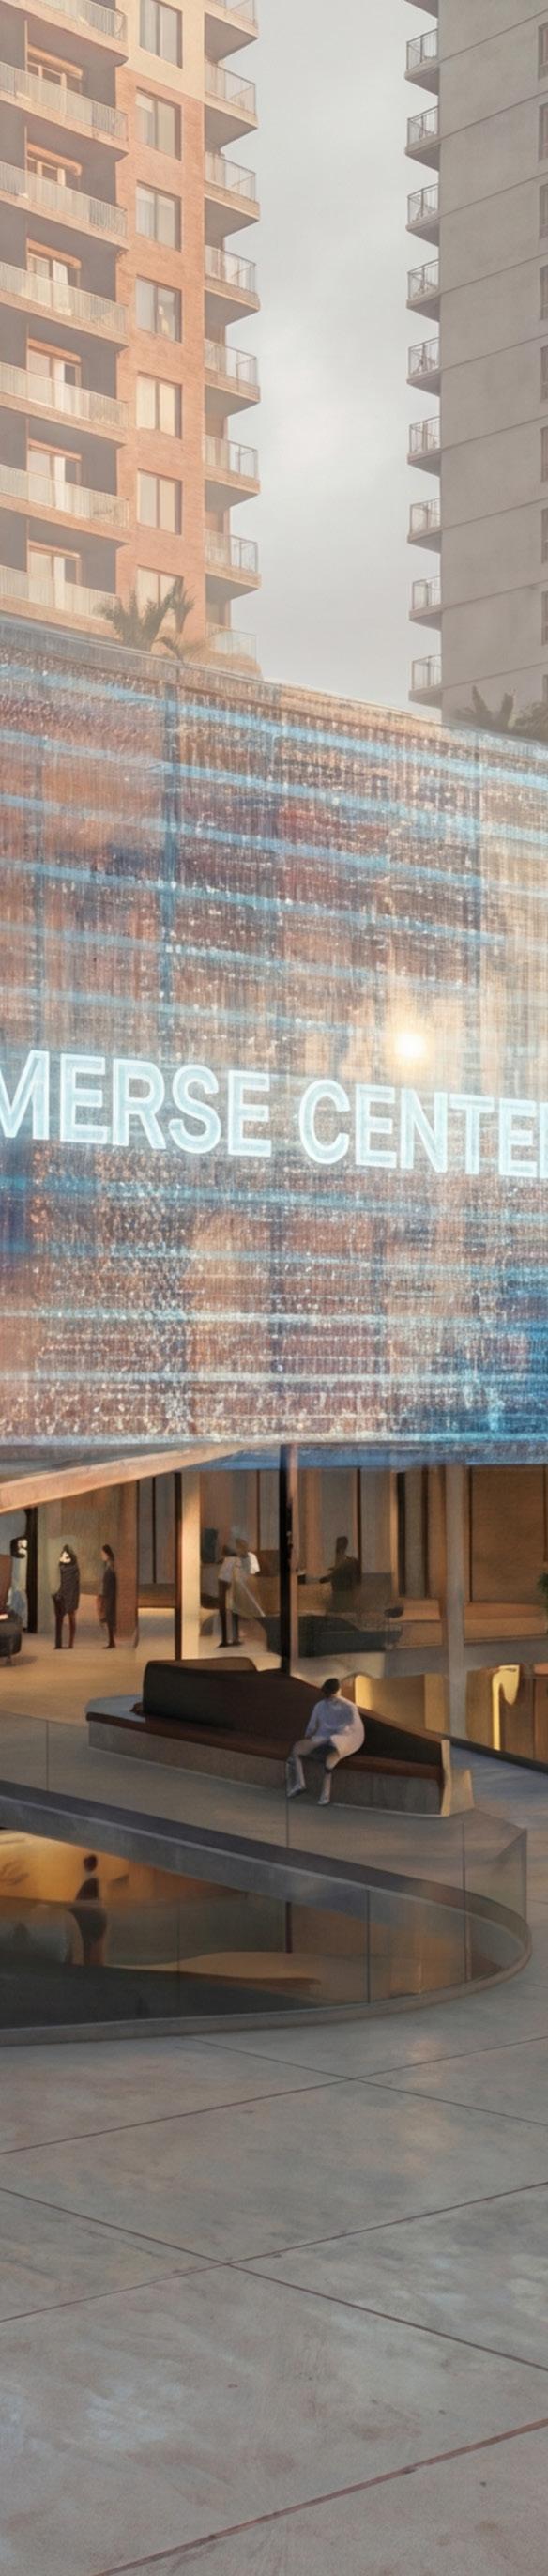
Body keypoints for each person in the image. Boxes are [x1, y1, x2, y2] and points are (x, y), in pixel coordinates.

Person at [286, 1676, 365, 1807]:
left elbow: (311, 1728)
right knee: (324, 1762)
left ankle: (304, 1785)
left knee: (299, 1751)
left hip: (335, 1739)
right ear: (338, 1690)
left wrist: (308, 1738)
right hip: (334, 1738)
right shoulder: (348, 1706)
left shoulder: (323, 1706)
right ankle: (318, 1793)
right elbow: (354, 1728)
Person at [70, 1852, 108, 1967]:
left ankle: (89, 1964)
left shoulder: (91, 1880)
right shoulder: (91, 1880)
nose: (84, 1866)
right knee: (89, 1947)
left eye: (86, 1863)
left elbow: (86, 1899)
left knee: (88, 1946)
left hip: (88, 1916)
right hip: (91, 1916)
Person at [53, 1544, 80, 1650]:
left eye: (66, 1557)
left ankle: (68, 1643)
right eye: (63, 1556)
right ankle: (64, 1643)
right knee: (64, 1618)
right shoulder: (63, 1568)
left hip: (68, 1596)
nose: (64, 1558)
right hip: (64, 1596)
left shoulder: (71, 1569)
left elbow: (76, 1585)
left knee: (68, 1618)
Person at [218, 1538, 238, 1648]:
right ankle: (234, 1638)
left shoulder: (228, 1560)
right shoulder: (235, 1560)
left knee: (225, 1611)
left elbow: (223, 1575)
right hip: (230, 1583)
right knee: (233, 1611)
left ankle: (226, 1640)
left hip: (224, 1583)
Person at [98, 1542, 117, 1648]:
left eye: (103, 1553)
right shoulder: (108, 1565)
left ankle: (111, 1642)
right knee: (108, 1618)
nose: (102, 1556)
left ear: (107, 1554)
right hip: (108, 1595)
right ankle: (111, 1641)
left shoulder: (110, 1566)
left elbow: (110, 1582)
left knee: (109, 1617)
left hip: (110, 1595)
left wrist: (105, 1595)